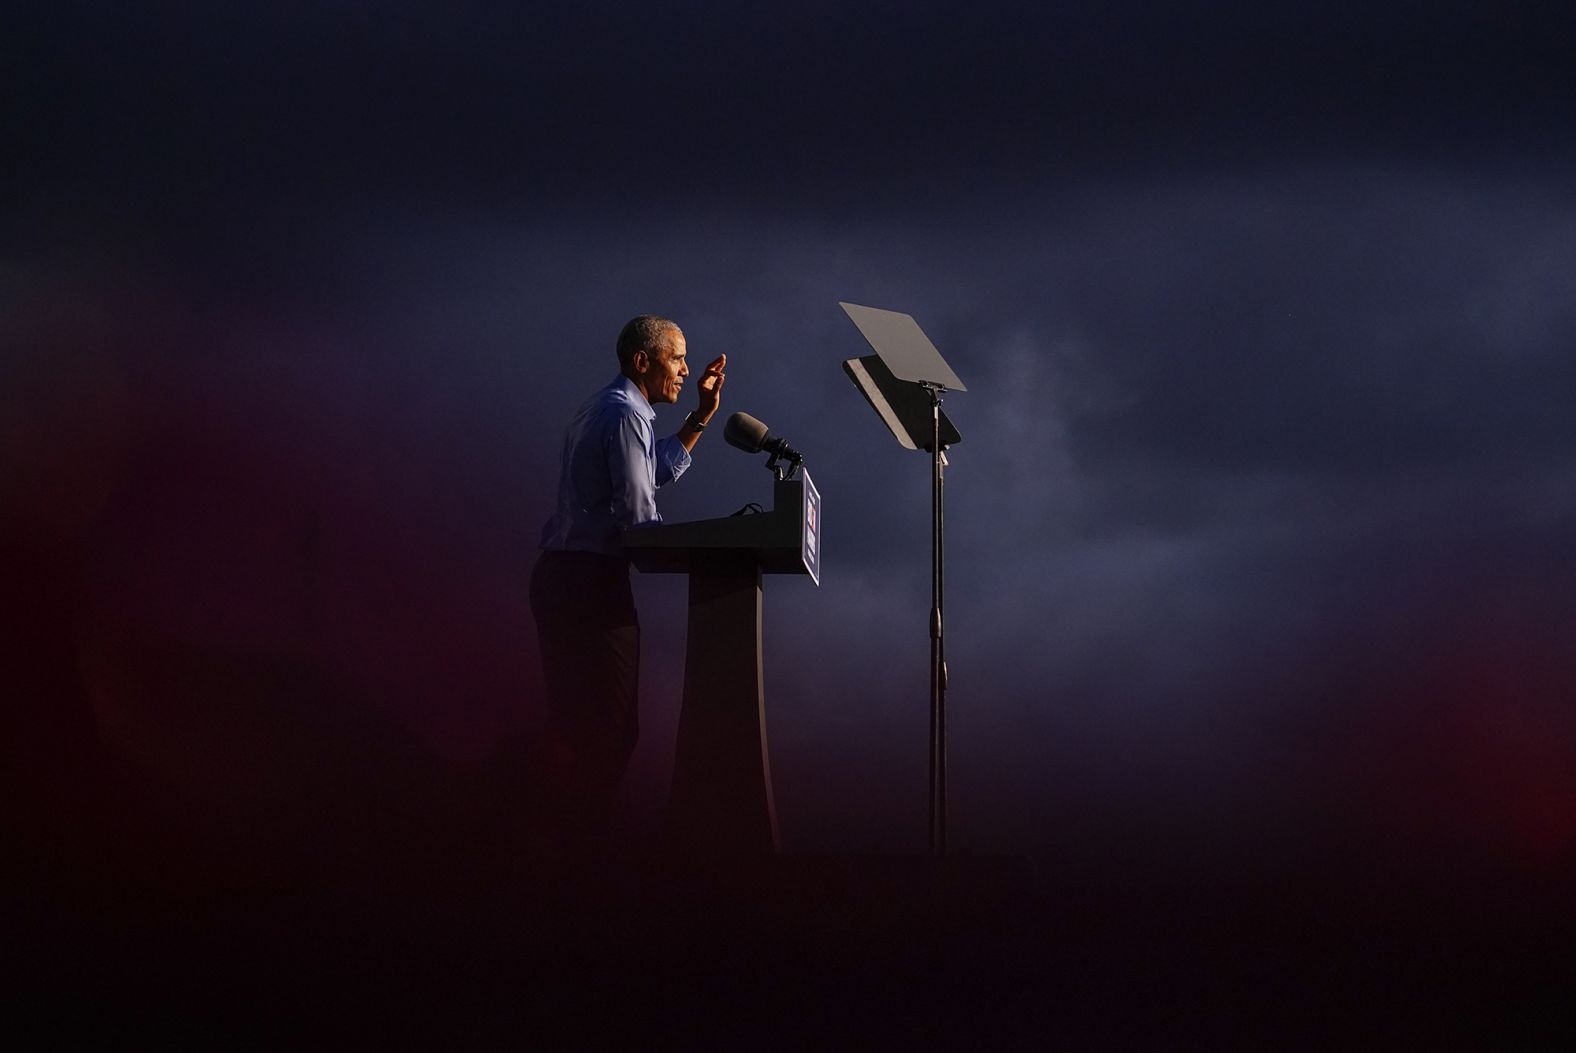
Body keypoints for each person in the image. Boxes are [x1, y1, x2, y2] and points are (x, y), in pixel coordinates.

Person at [529, 315, 726, 848]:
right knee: (610, 734)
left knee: (574, 729)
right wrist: (700, 549)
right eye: (676, 357)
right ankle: (583, 860)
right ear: (643, 361)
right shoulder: (624, 416)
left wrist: (701, 418)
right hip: (589, 585)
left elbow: (649, 469)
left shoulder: (609, 407)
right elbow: (639, 517)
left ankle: (550, 855)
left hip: (561, 578)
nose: (687, 369)